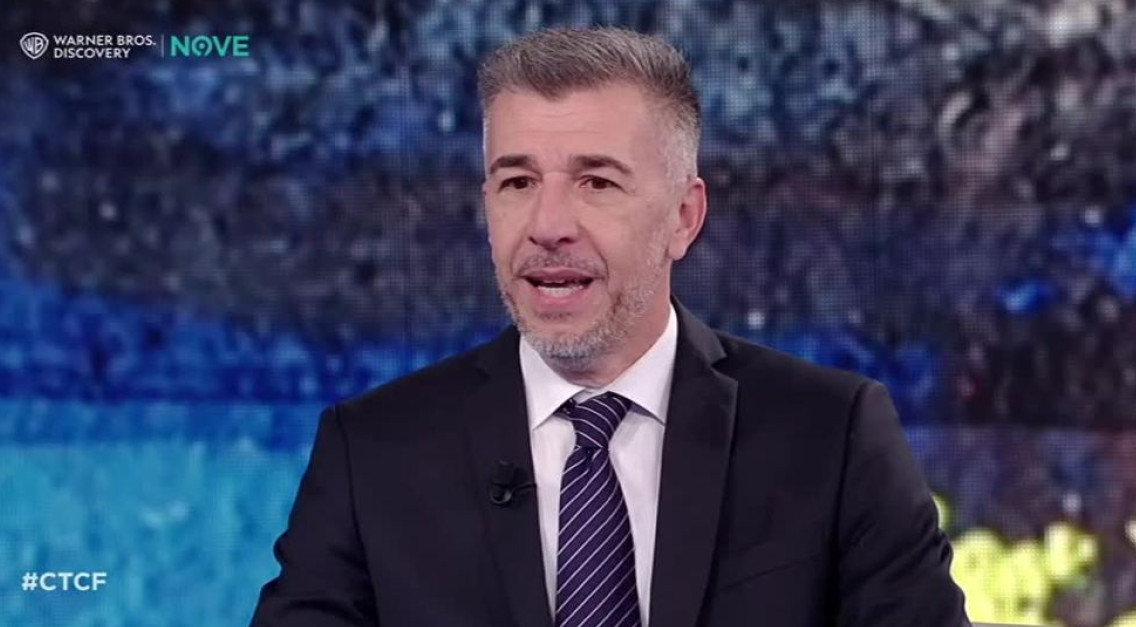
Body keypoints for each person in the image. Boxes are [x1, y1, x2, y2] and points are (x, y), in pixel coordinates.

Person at [251, 27, 970, 627]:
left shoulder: (832, 435)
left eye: (596, 181)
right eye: (518, 182)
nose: (548, 226)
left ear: (683, 217)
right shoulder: (372, 452)